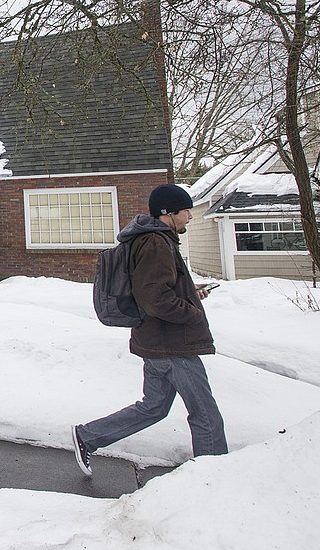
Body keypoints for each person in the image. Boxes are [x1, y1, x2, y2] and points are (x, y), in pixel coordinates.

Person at [72, 183, 227, 476]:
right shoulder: (156, 243)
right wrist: (192, 313)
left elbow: (156, 288)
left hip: (157, 341)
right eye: (186, 211)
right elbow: (154, 297)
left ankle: (88, 436)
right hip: (172, 345)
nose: (190, 217)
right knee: (205, 414)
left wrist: (189, 292)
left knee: (153, 408)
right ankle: (214, 477)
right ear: (168, 213)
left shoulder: (153, 240)